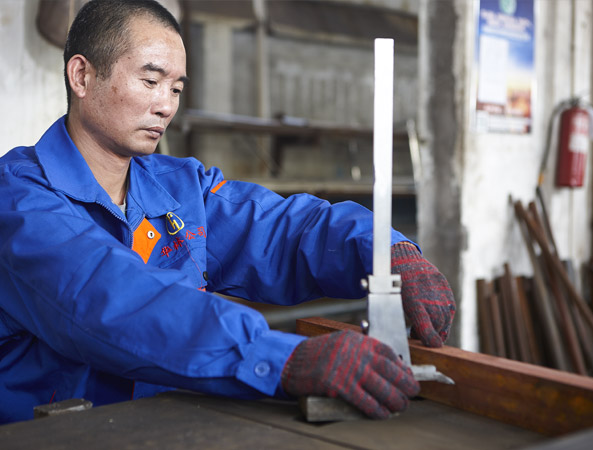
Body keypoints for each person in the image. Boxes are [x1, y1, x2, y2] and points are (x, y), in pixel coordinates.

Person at [0, 0, 455, 424]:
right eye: (151, 81)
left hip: (165, 428)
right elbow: (108, 297)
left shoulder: (180, 188)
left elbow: (282, 229)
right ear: (81, 76)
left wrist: (384, 250)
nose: (166, 105)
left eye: (176, 88)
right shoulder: (18, 200)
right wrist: (281, 359)